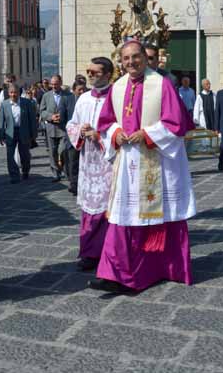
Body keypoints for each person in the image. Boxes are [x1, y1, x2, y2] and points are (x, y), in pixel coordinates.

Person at [90, 40, 196, 294]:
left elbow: (176, 124)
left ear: (145, 58)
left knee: (155, 218)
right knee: (122, 217)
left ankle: (155, 269)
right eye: (125, 59)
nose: (131, 63)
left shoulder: (162, 85)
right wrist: (116, 134)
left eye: (135, 57)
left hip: (157, 162)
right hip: (128, 161)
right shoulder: (117, 87)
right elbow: (106, 122)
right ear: (121, 61)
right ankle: (114, 272)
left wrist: (147, 135)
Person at [66, 57, 114, 270]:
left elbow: (123, 128)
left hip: (109, 163)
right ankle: (88, 253)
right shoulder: (83, 98)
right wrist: (80, 132)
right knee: (89, 210)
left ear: (107, 74)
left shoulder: (116, 97)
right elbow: (71, 124)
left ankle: (107, 251)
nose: (90, 75)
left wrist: (100, 136)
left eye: (95, 72)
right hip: (88, 163)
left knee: (107, 210)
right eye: (89, 71)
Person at [0, 83, 37, 183]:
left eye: (15, 92)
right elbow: (1, 121)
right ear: (8, 93)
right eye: (11, 92)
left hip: (23, 132)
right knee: (10, 155)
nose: (13, 94)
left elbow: (32, 119)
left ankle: (25, 171)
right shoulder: (5, 104)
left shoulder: (27, 103)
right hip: (10, 133)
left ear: (19, 93)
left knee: (24, 155)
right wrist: (1, 135)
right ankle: (14, 176)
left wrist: (33, 134)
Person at [59, 79, 87, 195]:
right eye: (79, 90)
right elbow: (62, 118)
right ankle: (74, 185)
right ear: (74, 90)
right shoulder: (67, 100)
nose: (82, 92)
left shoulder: (89, 100)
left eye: (83, 89)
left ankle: (84, 184)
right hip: (72, 136)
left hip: (87, 137)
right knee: (72, 162)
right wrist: (69, 131)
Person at [40, 74, 70, 181]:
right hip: (51, 128)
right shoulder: (46, 96)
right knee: (52, 152)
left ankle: (64, 170)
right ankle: (55, 172)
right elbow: (42, 112)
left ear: (60, 83)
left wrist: (63, 117)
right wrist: (50, 116)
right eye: (52, 84)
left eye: (56, 84)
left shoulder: (67, 95)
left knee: (62, 151)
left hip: (63, 128)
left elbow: (71, 110)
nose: (53, 86)